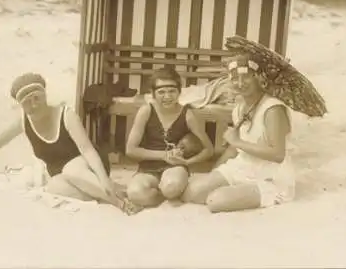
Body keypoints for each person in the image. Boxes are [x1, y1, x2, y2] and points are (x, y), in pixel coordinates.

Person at [0, 73, 141, 215]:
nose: (34, 104)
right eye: (27, 102)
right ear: (21, 105)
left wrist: (104, 178)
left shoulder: (66, 115)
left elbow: (87, 150)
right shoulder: (23, 122)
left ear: (45, 95)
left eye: (37, 97)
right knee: (54, 188)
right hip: (60, 174)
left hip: (88, 165)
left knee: (72, 171)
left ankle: (118, 202)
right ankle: (109, 191)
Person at [181, 56, 295, 212]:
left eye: (246, 77)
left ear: (258, 78)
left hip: (270, 176)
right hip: (243, 167)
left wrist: (237, 142)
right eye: (235, 78)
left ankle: (245, 192)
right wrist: (214, 173)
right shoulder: (239, 109)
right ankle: (237, 190)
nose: (240, 83)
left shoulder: (273, 109)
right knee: (192, 192)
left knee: (215, 200)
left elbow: (277, 154)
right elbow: (233, 150)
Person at [125, 67, 214, 207]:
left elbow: (208, 149)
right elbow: (131, 150)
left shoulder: (187, 114)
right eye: (161, 92)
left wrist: (187, 163)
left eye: (172, 91)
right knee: (135, 193)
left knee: (171, 187)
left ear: (179, 91)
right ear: (153, 94)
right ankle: (165, 197)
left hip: (175, 168)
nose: (167, 97)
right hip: (148, 168)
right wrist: (164, 155)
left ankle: (170, 192)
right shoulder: (146, 111)